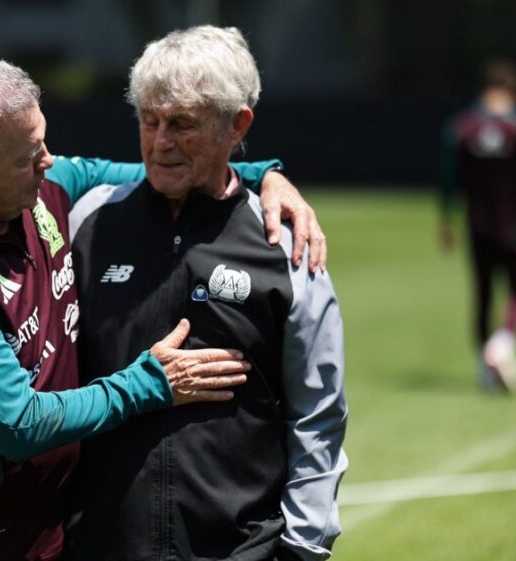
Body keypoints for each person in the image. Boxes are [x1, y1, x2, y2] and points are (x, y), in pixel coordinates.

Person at [0, 52, 326, 561]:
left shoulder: (43, 186)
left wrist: (265, 175)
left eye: (43, 143)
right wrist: (150, 382)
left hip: (45, 536)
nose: (48, 162)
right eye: (29, 156)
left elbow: (158, 168)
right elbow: (21, 425)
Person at [65, 26, 348, 561]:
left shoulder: (287, 247)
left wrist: (304, 546)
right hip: (100, 545)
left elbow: (318, 410)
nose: (160, 141)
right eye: (149, 121)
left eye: (182, 124)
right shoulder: (88, 222)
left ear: (237, 124)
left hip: (244, 550)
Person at [439, 58, 516, 391]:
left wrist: (446, 219)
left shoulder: (460, 128)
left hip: (476, 226)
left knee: (483, 293)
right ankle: (502, 345)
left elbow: (448, 179)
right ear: (513, 90)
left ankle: (485, 370)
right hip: (512, 227)